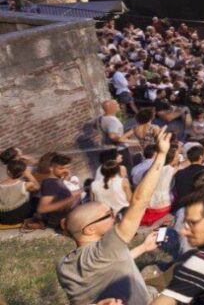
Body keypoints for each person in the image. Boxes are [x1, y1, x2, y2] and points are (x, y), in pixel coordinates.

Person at [57, 128, 172, 305]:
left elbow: (108, 263)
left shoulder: (64, 265)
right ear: (90, 229)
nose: (114, 216)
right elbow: (140, 201)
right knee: (182, 285)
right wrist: (161, 154)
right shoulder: (105, 248)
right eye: (108, 215)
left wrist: (142, 248)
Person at [37, 153, 82, 229]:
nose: (66, 170)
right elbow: (42, 208)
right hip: (60, 222)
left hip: (68, 217)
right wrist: (70, 199)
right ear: (51, 168)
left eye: (68, 168)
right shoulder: (50, 184)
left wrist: (65, 179)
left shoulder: (57, 181)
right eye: (61, 168)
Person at [0, 158, 38, 225]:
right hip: (21, 216)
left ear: (8, 171)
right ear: (23, 172)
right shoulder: (25, 185)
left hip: (2, 218)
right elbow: (38, 187)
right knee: (35, 199)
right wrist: (29, 175)